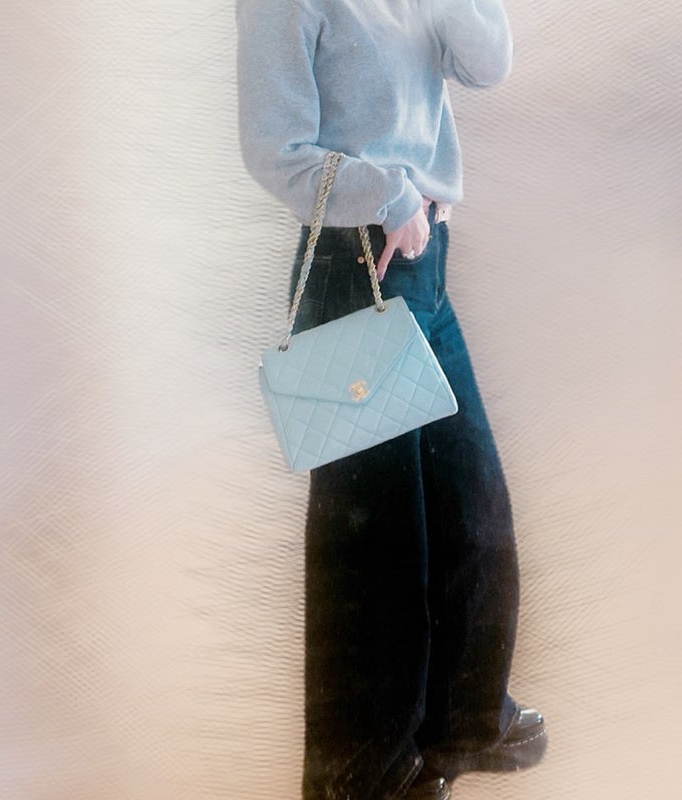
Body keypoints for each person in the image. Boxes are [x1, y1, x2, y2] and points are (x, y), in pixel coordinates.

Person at [236, 2, 547, 798]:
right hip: (356, 264)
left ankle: (462, 718)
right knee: (373, 542)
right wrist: (392, 197)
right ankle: (362, 774)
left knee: (468, 504)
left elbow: (488, 64)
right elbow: (273, 148)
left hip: (422, 265)